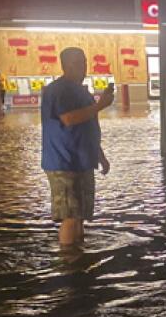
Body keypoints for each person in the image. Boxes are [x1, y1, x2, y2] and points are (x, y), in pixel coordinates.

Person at [40, 47, 112, 249]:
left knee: (80, 214)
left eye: (84, 62)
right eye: (77, 63)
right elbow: (69, 118)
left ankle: (78, 254)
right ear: (65, 66)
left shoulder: (81, 91)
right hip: (64, 161)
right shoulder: (59, 90)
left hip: (83, 161)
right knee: (70, 215)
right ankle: (68, 261)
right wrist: (100, 105)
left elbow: (89, 125)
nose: (83, 67)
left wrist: (100, 155)